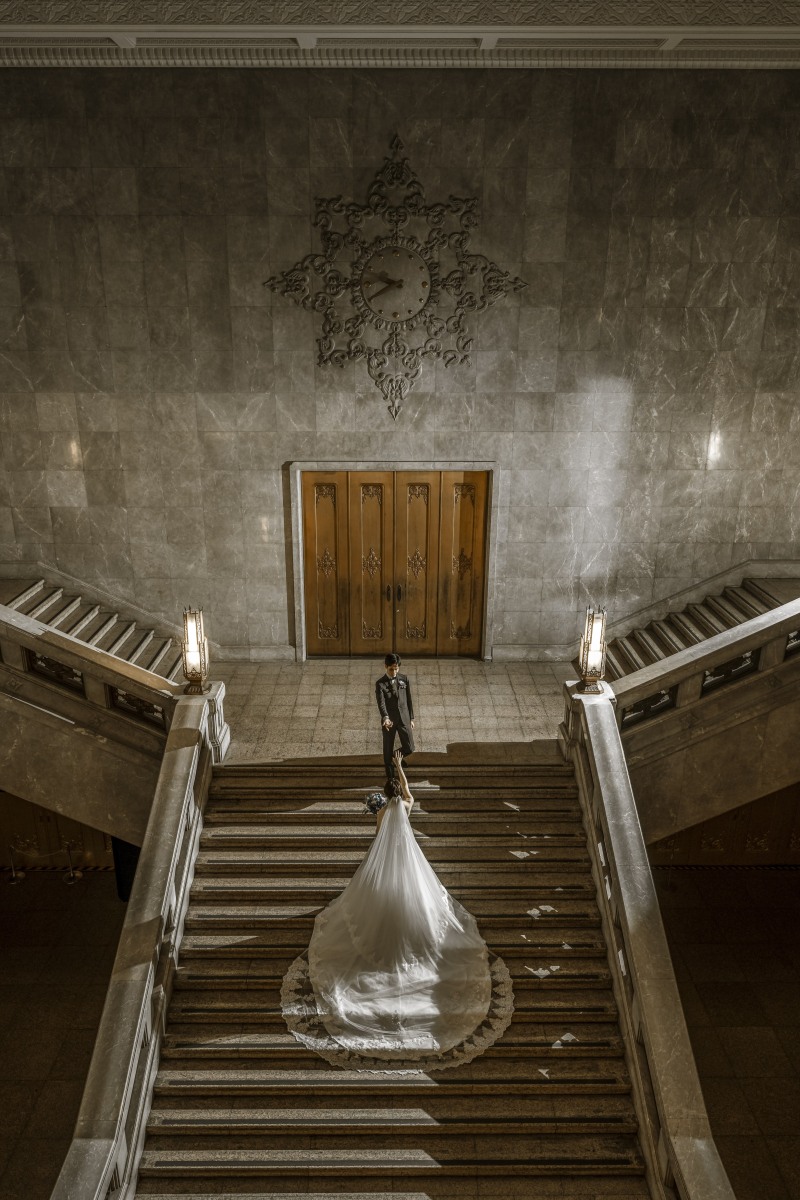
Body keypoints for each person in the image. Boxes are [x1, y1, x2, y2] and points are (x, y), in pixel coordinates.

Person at [280, 750, 514, 1070]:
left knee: (374, 918)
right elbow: (409, 793)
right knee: (418, 912)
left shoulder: (383, 814)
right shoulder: (405, 806)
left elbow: (379, 841)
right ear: (398, 793)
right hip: (410, 873)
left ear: (380, 799)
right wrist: (400, 767)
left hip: (388, 874)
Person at [375, 652, 415, 787]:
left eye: (396, 668)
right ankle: (390, 777)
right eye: (391, 669)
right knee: (387, 748)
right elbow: (381, 703)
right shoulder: (380, 684)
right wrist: (385, 718)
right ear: (385, 666)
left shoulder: (404, 679)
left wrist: (411, 718)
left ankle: (396, 758)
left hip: (404, 718)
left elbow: (409, 700)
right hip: (389, 722)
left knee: (410, 747)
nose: (394, 672)